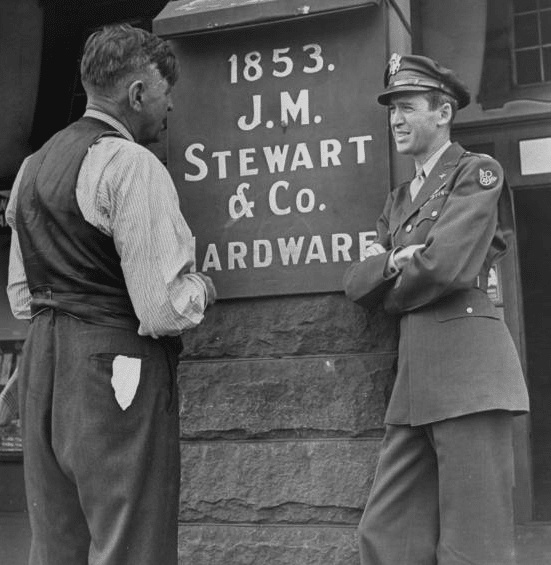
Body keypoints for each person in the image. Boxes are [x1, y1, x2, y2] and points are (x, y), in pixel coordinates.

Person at [6, 24, 215, 565]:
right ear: (138, 93)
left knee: (56, 544)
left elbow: (23, 298)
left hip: (44, 370)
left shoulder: (31, 169)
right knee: (131, 541)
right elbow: (161, 308)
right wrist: (202, 288)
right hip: (114, 370)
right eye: (166, 91)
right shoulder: (131, 164)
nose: (170, 107)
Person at [343, 54, 529, 565]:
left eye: (407, 107)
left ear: (443, 112)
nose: (395, 119)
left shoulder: (477, 173)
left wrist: (392, 284)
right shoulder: (398, 199)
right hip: (415, 385)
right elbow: (355, 282)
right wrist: (397, 264)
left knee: (474, 548)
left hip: (469, 377)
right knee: (385, 536)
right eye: (392, 110)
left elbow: (445, 268)